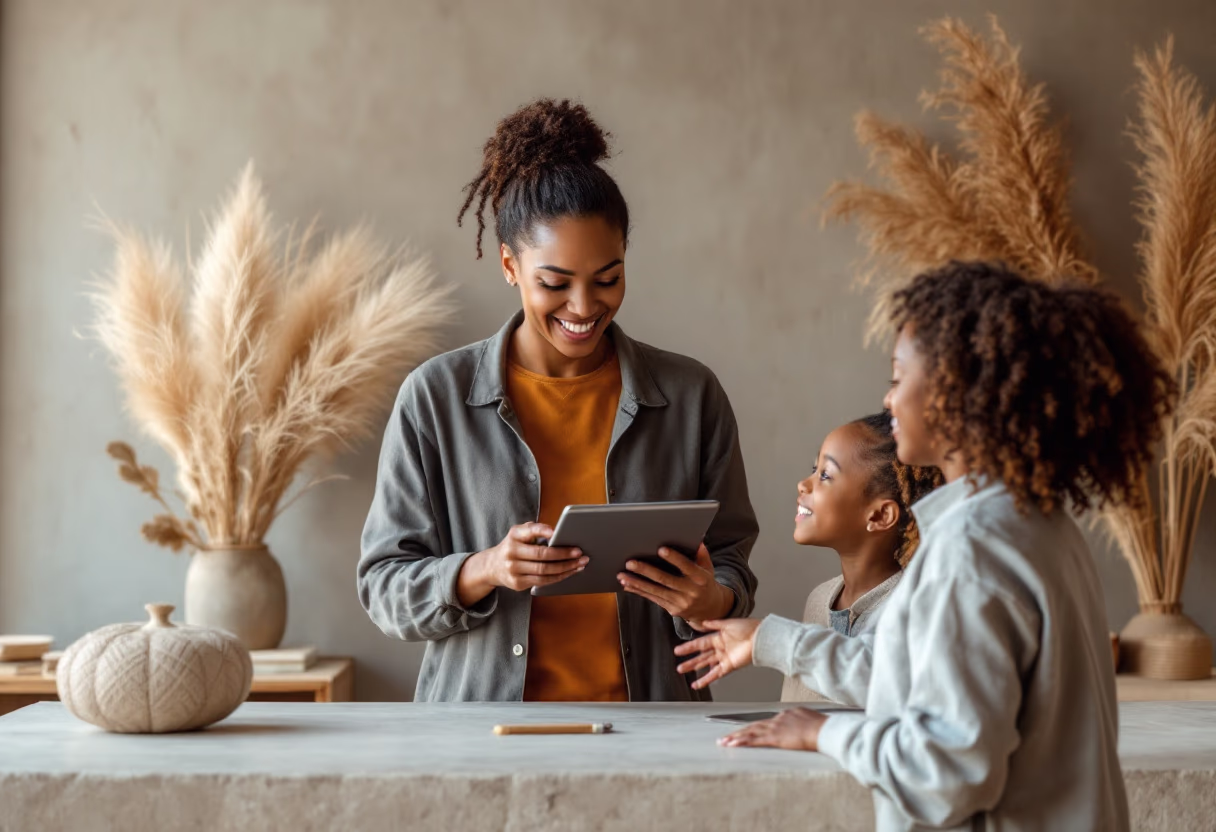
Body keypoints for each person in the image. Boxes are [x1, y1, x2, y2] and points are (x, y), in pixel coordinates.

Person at [677, 261, 1172, 830]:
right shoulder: (1037, 523)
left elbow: (947, 776)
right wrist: (769, 638)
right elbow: (914, 676)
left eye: (897, 376)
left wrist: (824, 731)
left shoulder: (972, 549)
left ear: (954, 394)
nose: (888, 401)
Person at [359, 99, 759, 703]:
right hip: (483, 736)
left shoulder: (690, 396)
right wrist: (485, 569)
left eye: (608, 278)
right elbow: (385, 588)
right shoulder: (435, 398)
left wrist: (714, 598)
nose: (583, 307)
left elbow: (731, 562)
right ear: (509, 266)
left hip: (651, 729)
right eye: (554, 283)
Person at [781, 412, 941, 703]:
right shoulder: (818, 600)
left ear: (880, 515)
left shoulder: (916, 609)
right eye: (814, 469)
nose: (803, 485)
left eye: (825, 475)